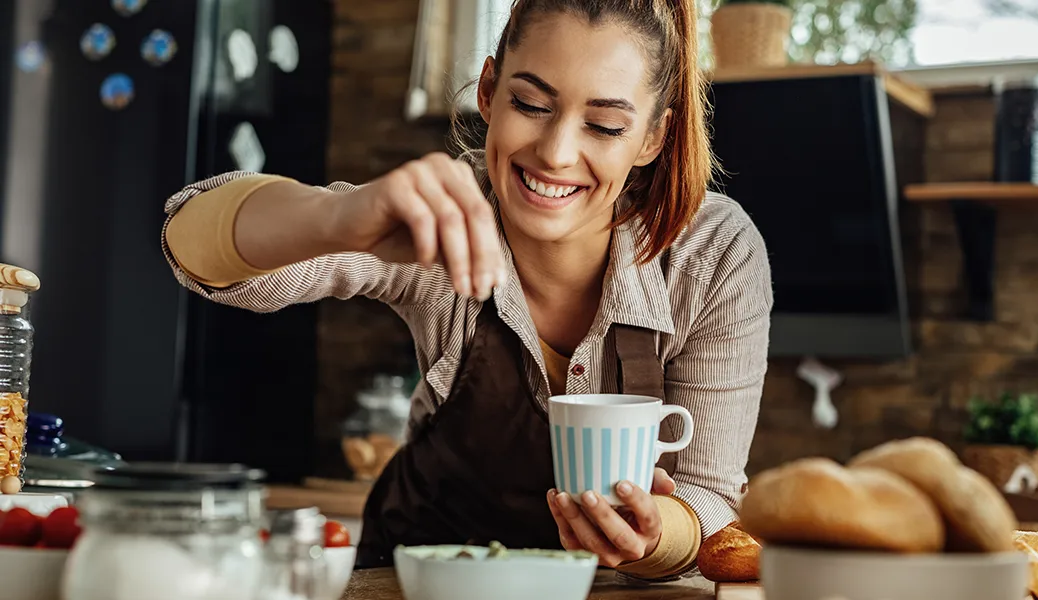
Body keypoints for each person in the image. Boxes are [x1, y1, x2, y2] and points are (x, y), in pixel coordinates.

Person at [160, 0, 772, 582]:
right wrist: (339, 217)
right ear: (488, 91)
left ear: (653, 139)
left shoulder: (711, 252)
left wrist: (651, 537)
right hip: (419, 583)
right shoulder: (440, 219)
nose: (557, 152)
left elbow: (709, 500)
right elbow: (190, 242)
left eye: (605, 125)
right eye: (531, 104)